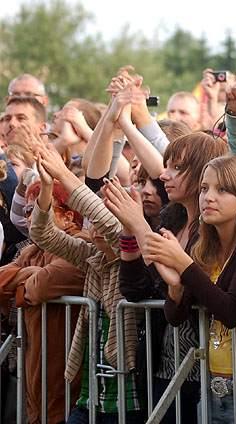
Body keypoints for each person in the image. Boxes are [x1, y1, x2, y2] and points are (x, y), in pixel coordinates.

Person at [146, 155, 236, 423]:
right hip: (213, 386)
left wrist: (183, 264)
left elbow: (231, 310)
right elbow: (176, 317)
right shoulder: (203, 243)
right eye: (204, 188)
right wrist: (176, 286)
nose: (208, 197)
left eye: (222, 190)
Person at [109, 132, 228, 424]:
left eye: (177, 168)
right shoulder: (171, 219)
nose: (164, 175)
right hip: (164, 364)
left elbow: (185, 292)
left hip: (202, 369)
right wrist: (129, 231)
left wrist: (139, 225)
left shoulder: (212, 228)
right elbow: (136, 289)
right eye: (167, 166)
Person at [29, 143, 143, 423]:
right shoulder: (93, 256)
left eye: (103, 218)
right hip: (90, 396)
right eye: (93, 221)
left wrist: (65, 175)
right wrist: (47, 187)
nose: (95, 226)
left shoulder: (131, 254)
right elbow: (43, 234)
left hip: (128, 401)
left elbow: (113, 228)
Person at [0, 180, 85, 424]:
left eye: (39, 211)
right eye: (27, 211)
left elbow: (41, 288)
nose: (30, 218)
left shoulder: (79, 245)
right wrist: (26, 276)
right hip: (36, 379)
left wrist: (21, 282)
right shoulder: (33, 250)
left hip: (65, 384)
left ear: (68, 217)